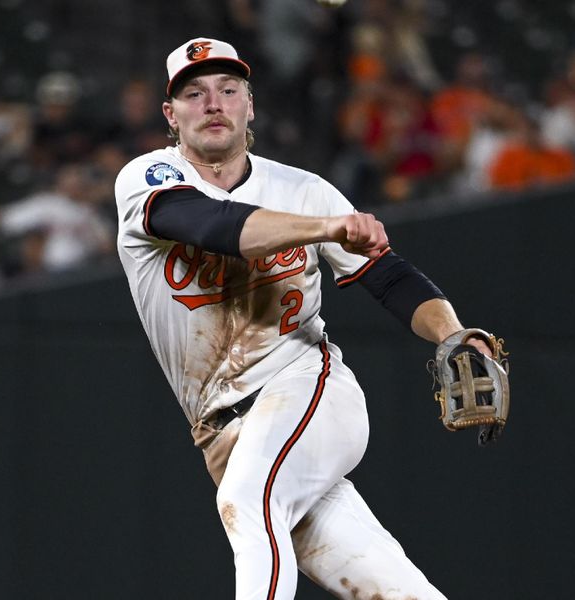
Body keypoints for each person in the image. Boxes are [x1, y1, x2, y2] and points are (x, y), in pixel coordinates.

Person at [115, 37, 492, 599]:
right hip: (221, 434)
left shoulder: (303, 189)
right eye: (194, 94)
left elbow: (389, 277)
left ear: (250, 106)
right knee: (393, 590)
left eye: (228, 89)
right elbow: (215, 226)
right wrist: (328, 227)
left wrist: (453, 332)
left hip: (306, 390)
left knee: (247, 501)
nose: (212, 103)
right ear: (171, 115)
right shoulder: (147, 179)